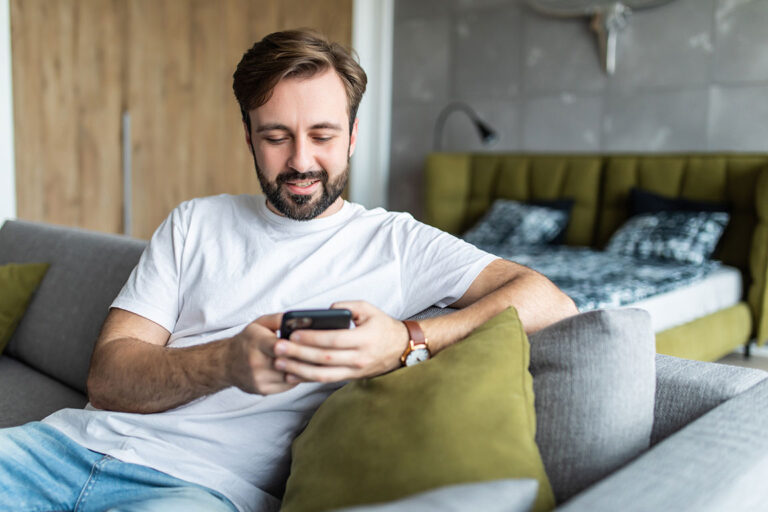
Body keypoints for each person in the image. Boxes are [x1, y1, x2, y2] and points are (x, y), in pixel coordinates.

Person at [0, 29, 577, 512]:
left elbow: (550, 300)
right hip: (59, 449)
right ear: (249, 138)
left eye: (322, 135)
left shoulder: (397, 242)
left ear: (352, 137)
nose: (301, 161)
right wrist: (225, 362)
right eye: (276, 137)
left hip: (195, 488)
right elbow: (109, 379)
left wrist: (408, 340)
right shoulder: (194, 222)